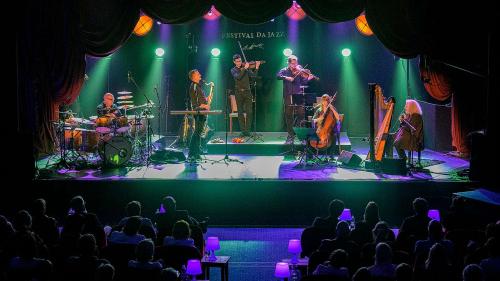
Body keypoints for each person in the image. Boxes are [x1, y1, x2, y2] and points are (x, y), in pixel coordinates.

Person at [277, 55, 315, 144]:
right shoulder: (284, 70)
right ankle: (290, 136)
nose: (295, 65)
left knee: (301, 115)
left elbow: (303, 82)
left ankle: (301, 136)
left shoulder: (299, 70)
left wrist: (308, 79)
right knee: (289, 115)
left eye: (296, 63)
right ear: (289, 63)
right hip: (288, 95)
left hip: (298, 95)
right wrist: (286, 77)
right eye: (293, 63)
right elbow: (278, 76)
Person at [231, 54, 260, 137]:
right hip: (238, 93)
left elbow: (254, 76)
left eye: (240, 61)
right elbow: (238, 77)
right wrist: (245, 68)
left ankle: (247, 131)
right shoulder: (233, 70)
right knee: (240, 112)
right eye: (237, 61)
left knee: (249, 112)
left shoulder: (246, 69)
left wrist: (257, 67)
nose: (239, 63)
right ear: (234, 62)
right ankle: (243, 131)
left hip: (248, 92)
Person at [187, 69, 213, 161]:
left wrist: (207, 99)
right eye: (198, 74)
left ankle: (196, 152)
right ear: (194, 76)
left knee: (198, 133)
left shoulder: (197, 86)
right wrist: (205, 105)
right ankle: (192, 154)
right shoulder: (194, 86)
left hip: (202, 111)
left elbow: (199, 99)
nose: (200, 75)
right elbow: (196, 103)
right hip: (199, 111)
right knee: (197, 133)